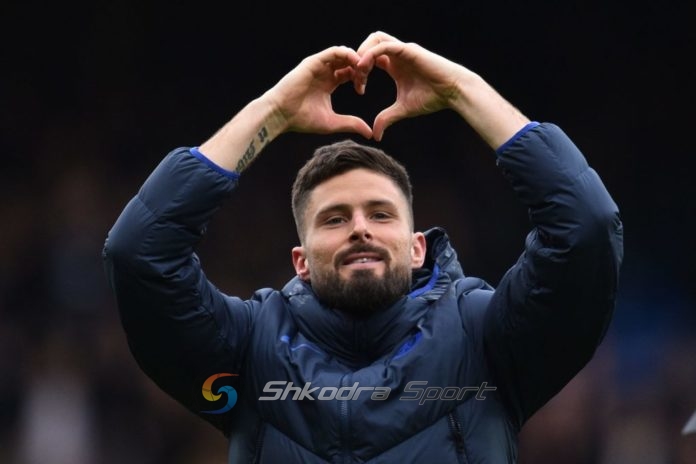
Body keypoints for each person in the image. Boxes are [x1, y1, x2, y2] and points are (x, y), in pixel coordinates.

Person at [103, 31, 623, 463]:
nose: (359, 228)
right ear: (301, 262)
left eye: (380, 213)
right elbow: (139, 253)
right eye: (334, 219)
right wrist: (272, 111)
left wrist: (463, 90)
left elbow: (586, 228)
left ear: (417, 248)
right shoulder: (245, 351)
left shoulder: (487, 339)